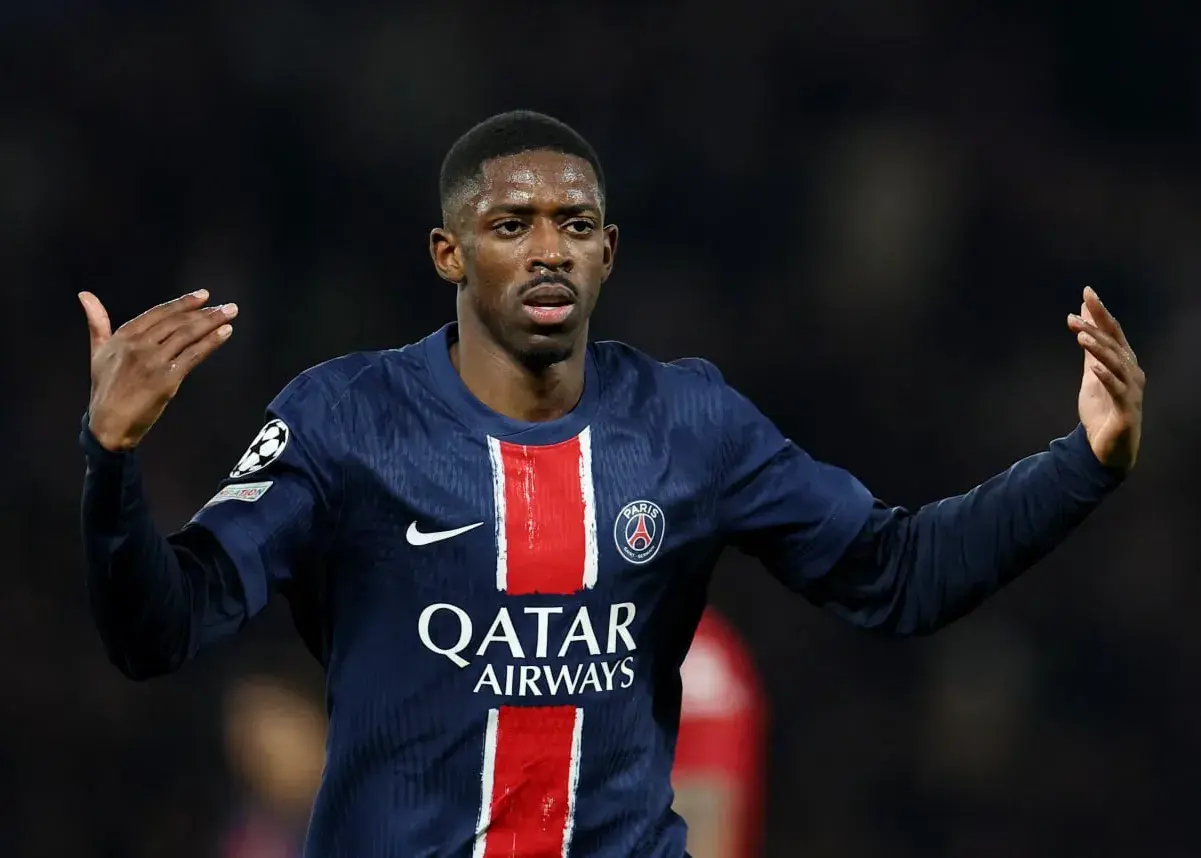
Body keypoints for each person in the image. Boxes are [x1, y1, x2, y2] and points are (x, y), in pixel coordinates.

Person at [78, 110, 1144, 858]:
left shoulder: (689, 423)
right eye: (512, 226)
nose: (549, 251)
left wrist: (1083, 461)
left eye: (575, 225)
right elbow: (159, 630)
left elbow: (900, 574)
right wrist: (112, 462)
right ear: (449, 253)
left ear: (609, 252)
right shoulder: (343, 419)